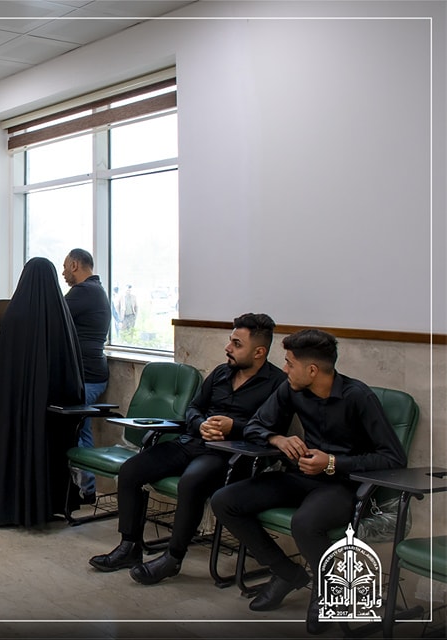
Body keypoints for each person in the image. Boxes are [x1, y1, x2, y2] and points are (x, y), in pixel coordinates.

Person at [211, 329, 407, 635]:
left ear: (312, 370)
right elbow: (255, 426)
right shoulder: (291, 389)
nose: (285, 369)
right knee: (224, 501)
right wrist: (277, 438)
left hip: (344, 485)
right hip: (300, 476)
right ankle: (286, 572)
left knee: (304, 523)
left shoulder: (359, 397)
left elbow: (393, 458)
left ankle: (326, 588)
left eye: (289, 363)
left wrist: (333, 462)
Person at [88, 313, 287, 585]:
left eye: (237, 344)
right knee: (132, 470)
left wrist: (234, 427)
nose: (228, 347)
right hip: (192, 441)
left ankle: (173, 558)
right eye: (230, 340)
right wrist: (201, 424)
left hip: (229, 455)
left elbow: (273, 430)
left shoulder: (277, 384)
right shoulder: (221, 372)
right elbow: (194, 407)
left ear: (259, 352)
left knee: (192, 482)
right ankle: (129, 546)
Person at [0, 257, 85, 528]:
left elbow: (5, 369)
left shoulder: (13, 315)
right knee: (50, 451)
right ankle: (49, 506)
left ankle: (11, 510)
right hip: (52, 408)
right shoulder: (61, 315)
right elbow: (72, 369)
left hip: (16, 406)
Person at [61, 248, 111, 503]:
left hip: (87, 375)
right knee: (83, 429)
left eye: (64, 267)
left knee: (77, 430)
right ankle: (86, 489)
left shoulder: (83, 291)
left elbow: (53, 314)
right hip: (93, 373)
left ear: (74, 265)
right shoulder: (96, 289)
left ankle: (83, 489)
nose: (63, 273)